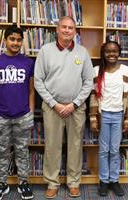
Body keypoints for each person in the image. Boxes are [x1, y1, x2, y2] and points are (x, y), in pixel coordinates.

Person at [34, 16, 93, 199]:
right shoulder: (45, 51)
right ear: (57, 30)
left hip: (76, 108)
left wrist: (74, 104)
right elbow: (38, 81)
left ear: (75, 31)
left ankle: (73, 182)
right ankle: (52, 182)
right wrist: (55, 104)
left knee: (75, 146)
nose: (67, 30)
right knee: (52, 146)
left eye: (71, 28)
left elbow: (88, 82)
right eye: (64, 27)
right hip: (53, 108)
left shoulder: (82, 52)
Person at [0, 25, 35, 200]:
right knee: (2, 151)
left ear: (22, 42)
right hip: (1, 116)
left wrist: (30, 112)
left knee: (22, 151)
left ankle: (23, 182)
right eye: (12, 39)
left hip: (22, 115)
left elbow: (31, 91)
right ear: (5, 40)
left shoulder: (28, 63)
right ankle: (2, 183)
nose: (15, 42)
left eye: (19, 40)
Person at [89, 41, 128, 197]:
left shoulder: (126, 71)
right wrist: (93, 117)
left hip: (119, 114)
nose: (111, 54)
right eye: (108, 51)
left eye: (114, 51)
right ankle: (104, 181)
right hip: (104, 115)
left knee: (114, 150)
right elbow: (94, 96)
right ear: (103, 53)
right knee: (103, 151)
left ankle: (114, 180)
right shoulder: (96, 71)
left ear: (119, 53)